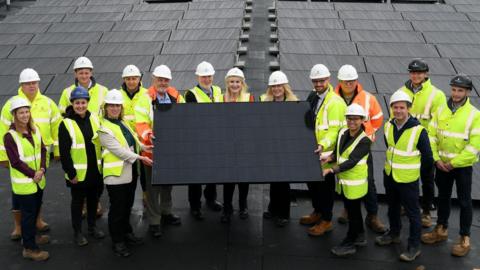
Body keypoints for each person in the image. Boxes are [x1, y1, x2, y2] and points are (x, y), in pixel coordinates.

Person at [421, 75, 480, 257]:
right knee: (443, 198)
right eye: (454, 89)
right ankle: (441, 229)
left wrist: (453, 163)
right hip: (441, 165)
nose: (456, 94)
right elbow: (430, 135)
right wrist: (437, 159)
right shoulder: (440, 110)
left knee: (464, 202)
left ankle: (464, 237)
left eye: (460, 90)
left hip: (461, 167)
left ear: (467, 92)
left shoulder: (475, 115)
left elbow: (474, 146)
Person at [0, 68, 61, 240]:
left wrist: (56, 152)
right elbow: (2, 130)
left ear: (38, 83)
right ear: (21, 85)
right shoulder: (11, 104)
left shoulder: (48, 103)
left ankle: (37, 221)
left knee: (37, 190)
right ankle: (18, 226)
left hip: (40, 157)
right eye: (27, 83)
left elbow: (57, 127)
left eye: (34, 82)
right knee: (19, 194)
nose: (31, 86)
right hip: (18, 160)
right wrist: (3, 157)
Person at [375, 90, 433, 262]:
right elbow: (390, 147)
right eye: (395, 107)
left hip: (408, 180)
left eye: (402, 107)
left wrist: (417, 174)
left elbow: (428, 158)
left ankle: (414, 246)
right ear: (391, 108)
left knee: (413, 213)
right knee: (392, 207)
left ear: (408, 109)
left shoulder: (418, 130)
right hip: (390, 176)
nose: (398, 111)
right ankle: (394, 233)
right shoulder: (388, 125)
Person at [99, 89, 152, 257]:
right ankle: (118, 241)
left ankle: (127, 233)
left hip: (129, 173)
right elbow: (119, 151)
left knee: (127, 206)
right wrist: (140, 158)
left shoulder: (122, 123)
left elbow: (132, 141)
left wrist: (144, 147)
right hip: (116, 176)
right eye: (111, 105)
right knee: (117, 210)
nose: (114, 108)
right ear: (106, 107)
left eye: (117, 105)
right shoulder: (104, 129)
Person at [334, 64, 386, 234]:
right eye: (345, 81)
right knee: (345, 180)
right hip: (342, 147)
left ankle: (372, 216)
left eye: (352, 81)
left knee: (368, 182)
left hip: (362, 148)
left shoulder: (367, 98)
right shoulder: (332, 99)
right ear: (339, 81)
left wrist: (367, 135)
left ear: (357, 80)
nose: (349, 84)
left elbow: (378, 119)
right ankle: (349, 208)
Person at [397, 59, 447, 228]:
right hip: (406, 144)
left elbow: (439, 122)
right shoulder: (402, 92)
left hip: (424, 143)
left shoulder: (436, 94)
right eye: (413, 72)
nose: (416, 75)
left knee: (427, 179)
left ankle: (426, 211)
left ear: (426, 74)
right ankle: (406, 204)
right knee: (405, 177)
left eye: (419, 72)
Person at [135, 65, 183, 238]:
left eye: (165, 80)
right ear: (154, 79)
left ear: (169, 81)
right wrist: (148, 135)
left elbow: (183, 117)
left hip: (170, 150)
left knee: (167, 184)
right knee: (153, 187)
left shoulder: (175, 95)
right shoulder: (145, 98)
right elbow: (140, 123)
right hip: (152, 151)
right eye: (159, 80)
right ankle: (155, 221)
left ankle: (166, 212)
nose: (163, 83)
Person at [58, 56, 108, 218]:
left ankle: (94, 202)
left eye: (86, 72)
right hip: (77, 137)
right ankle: (85, 206)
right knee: (80, 181)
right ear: (75, 73)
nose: (84, 75)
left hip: (97, 137)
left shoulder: (102, 90)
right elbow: (62, 114)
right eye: (81, 72)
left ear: (91, 72)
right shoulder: (67, 92)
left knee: (97, 179)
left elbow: (107, 113)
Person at [300, 64, 347, 236]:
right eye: (315, 81)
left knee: (325, 189)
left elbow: (335, 131)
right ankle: (317, 212)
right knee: (313, 185)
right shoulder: (313, 96)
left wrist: (323, 145)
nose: (318, 84)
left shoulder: (336, 103)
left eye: (321, 80)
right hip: (312, 150)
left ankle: (326, 220)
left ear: (328, 80)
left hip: (325, 154)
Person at [58, 86, 105, 246]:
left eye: (83, 102)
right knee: (77, 204)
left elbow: (101, 144)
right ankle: (77, 232)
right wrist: (71, 173)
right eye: (77, 103)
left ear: (87, 102)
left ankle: (92, 227)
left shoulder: (94, 119)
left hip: (95, 170)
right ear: (72, 104)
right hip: (77, 174)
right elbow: (64, 153)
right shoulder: (66, 124)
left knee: (93, 200)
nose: (80, 106)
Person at [4, 97, 49, 261]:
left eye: (26, 112)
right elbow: (15, 161)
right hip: (25, 185)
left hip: (38, 181)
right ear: (14, 115)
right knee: (28, 216)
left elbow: (43, 150)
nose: (24, 115)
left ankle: (32, 237)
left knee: (35, 212)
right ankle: (29, 248)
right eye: (20, 112)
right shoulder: (10, 136)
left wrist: (42, 168)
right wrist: (33, 174)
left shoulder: (34, 129)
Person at [323, 104, 371, 256]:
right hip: (345, 182)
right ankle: (360, 236)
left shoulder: (365, 141)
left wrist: (331, 169)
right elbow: (338, 152)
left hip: (355, 183)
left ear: (362, 120)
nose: (352, 122)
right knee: (353, 211)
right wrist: (328, 157)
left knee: (353, 213)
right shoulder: (343, 132)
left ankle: (350, 242)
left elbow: (352, 161)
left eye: (356, 119)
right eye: (349, 118)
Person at [184, 61, 224, 220]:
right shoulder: (190, 94)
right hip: (198, 140)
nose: (207, 79)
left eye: (209, 76)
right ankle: (195, 206)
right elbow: (194, 119)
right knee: (196, 174)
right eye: (203, 76)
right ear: (198, 77)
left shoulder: (218, 90)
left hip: (214, 138)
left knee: (212, 172)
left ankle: (210, 199)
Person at [261, 70, 298, 227]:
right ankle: (273, 208)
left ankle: (284, 214)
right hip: (272, 147)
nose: (276, 89)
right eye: (273, 86)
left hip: (286, 148)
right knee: (274, 180)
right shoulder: (265, 102)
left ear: (285, 87)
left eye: (279, 86)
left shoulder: (294, 104)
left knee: (283, 182)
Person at [220, 67, 254, 223]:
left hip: (243, 144)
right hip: (227, 145)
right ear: (227, 83)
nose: (234, 85)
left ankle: (243, 206)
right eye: (232, 82)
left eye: (237, 82)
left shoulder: (249, 98)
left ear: (242, 84)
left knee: (243, 179)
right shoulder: (220, 98)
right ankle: (227, 208)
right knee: (228, 179)